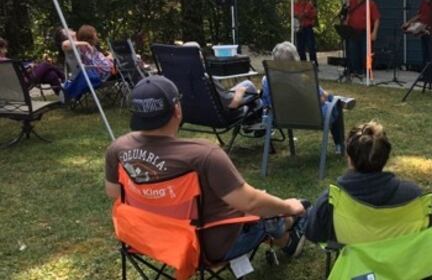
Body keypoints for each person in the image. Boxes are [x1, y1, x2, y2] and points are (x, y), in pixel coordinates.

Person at [104, 75, 308, 263]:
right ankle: (288, 231)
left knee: (256, 206)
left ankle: (287, 232)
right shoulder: (203, 155)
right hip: (207, 247)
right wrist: (288, 206)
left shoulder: (118, 149)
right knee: (268, 212)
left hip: (152, 240)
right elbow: (251, 202)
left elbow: (115, 193)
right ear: (177, 109)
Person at [305, 121, 432, 243]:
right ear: (385, 157)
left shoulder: (331, 201)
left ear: (349, 157)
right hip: (402, 267)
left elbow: (313, 233)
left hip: (355, 268)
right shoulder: (413, 196)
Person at [261, 41, 351, 154]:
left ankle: (336, 99)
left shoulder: (267, 80)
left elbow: (267, 102)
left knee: (329, 98)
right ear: (295, 60)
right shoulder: (302, 79)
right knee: (334, 104)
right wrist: (327, 96)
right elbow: (320, 100)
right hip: (310, 117)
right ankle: (339, 145)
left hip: (280, 117)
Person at [0, 36, 66, 95]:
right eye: (4, 48)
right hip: (24, 82)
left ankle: (62, 96)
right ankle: (65, 79)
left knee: (51, 75)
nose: (6, 51)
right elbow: (19, 73)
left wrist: (28, 67)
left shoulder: (4, 62)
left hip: (16, 84)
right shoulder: (5, 61)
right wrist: (29, 68)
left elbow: (14, 73)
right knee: (45, 65)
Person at [402, 0, 432, 82]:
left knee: (431, 54)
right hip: (424, 31)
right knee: (425, 54)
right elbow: (419, 15)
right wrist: (409, 23)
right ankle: (425, 75)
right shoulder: (423, 3)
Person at [346, 0, 381, 75]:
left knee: (366, 52)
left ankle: (368, 71)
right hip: (353, 32)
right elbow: (349, 14)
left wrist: (374, 32)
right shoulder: (352, 3)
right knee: (353, 51)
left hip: (365, 32)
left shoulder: (371, 4)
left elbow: (377, 19)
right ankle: (356, 70)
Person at [294, 0, 318, 65]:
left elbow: (314, 14)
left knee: (311, 47)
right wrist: (305, 13)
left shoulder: (309, 4)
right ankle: (304, 65)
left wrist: (304, 13)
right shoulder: (295, 4)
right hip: (299, 28)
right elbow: (294, 14)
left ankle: (314, 65)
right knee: (300, 48)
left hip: (308, 28)